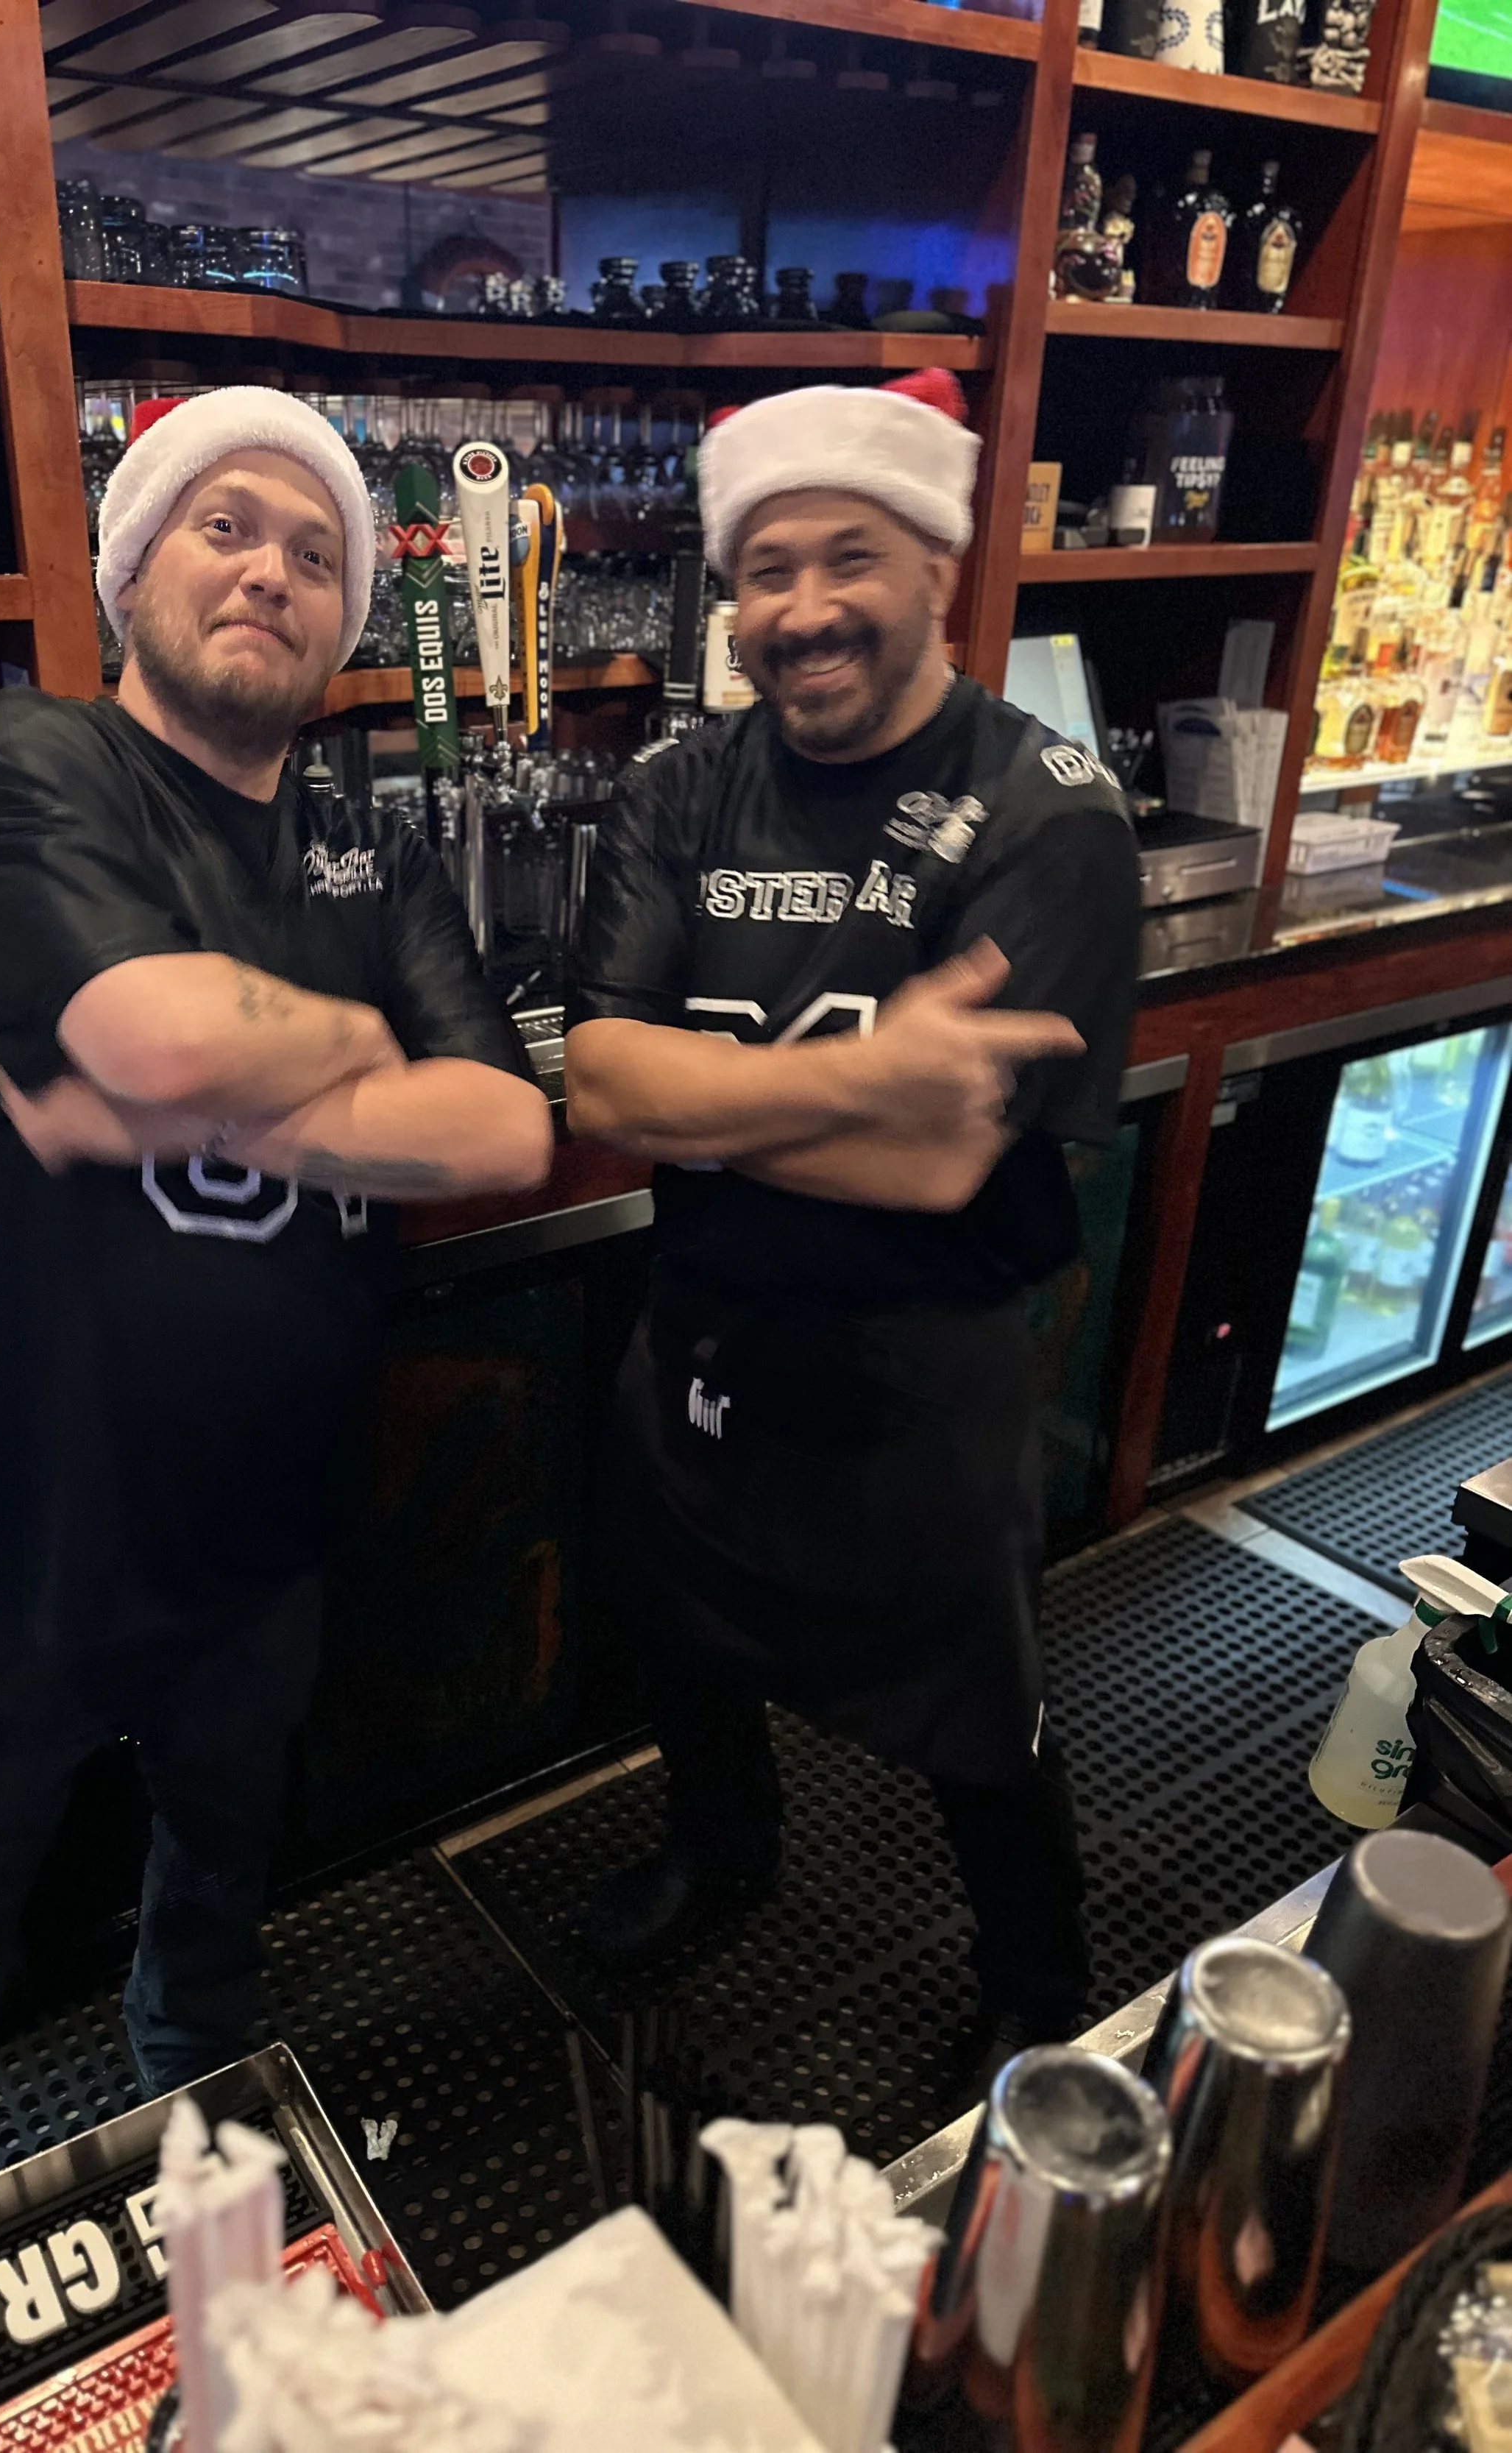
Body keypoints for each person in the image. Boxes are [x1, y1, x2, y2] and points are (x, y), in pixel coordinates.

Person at [0, 389, 553, 2227]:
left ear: (343, 624)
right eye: (227, 526)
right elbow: (145, 1031)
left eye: (316, 553)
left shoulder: (366, 849)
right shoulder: (19, 764)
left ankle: (219, 2191)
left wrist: (215, 1075)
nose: (271, 572)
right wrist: (342, 1046)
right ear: (134, 561)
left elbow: (501, 1123)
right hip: (11, 1534)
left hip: (255, 1532)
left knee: (215, 1907)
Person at [564, 375, 1142, 2092]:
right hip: (706, 1327)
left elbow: (937, 1169)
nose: (802, 610)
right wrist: (869, 1075)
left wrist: (712, 1104)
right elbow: (597, 1080)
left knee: (976, 1711)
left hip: (918, 1362)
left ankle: (1038, 1981)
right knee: (677, 1629)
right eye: (763, 570)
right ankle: (724, 1852)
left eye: (849, 558)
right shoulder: (681, 785)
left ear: (939, 565)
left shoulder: (1052, 812)